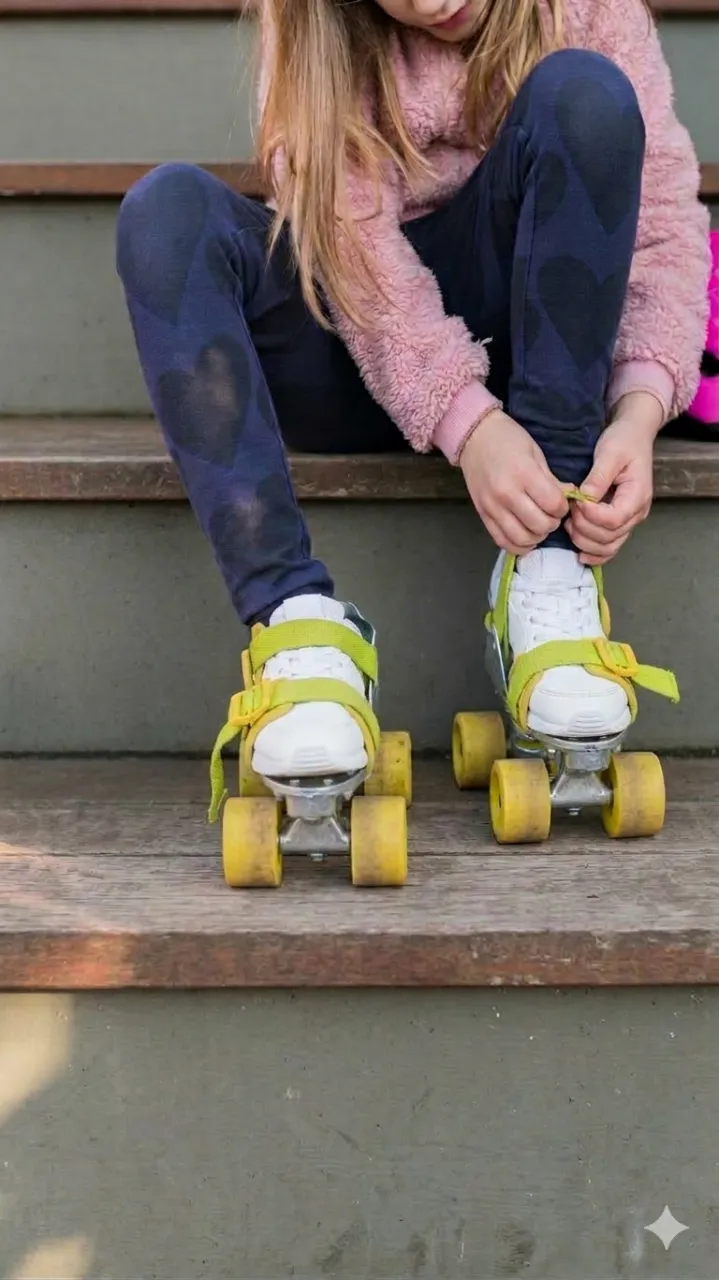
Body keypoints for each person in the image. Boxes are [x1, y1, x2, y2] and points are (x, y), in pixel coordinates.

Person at [116, 0, 709, 788]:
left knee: (587, 92)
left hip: (530, 343)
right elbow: (351, 242)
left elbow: (661, 222)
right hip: (352, 337)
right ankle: (296, 624)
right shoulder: (311, 22)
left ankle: (549, 567)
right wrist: (468, 424)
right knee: (165, 210)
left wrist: (637, 411)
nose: (428, 2)